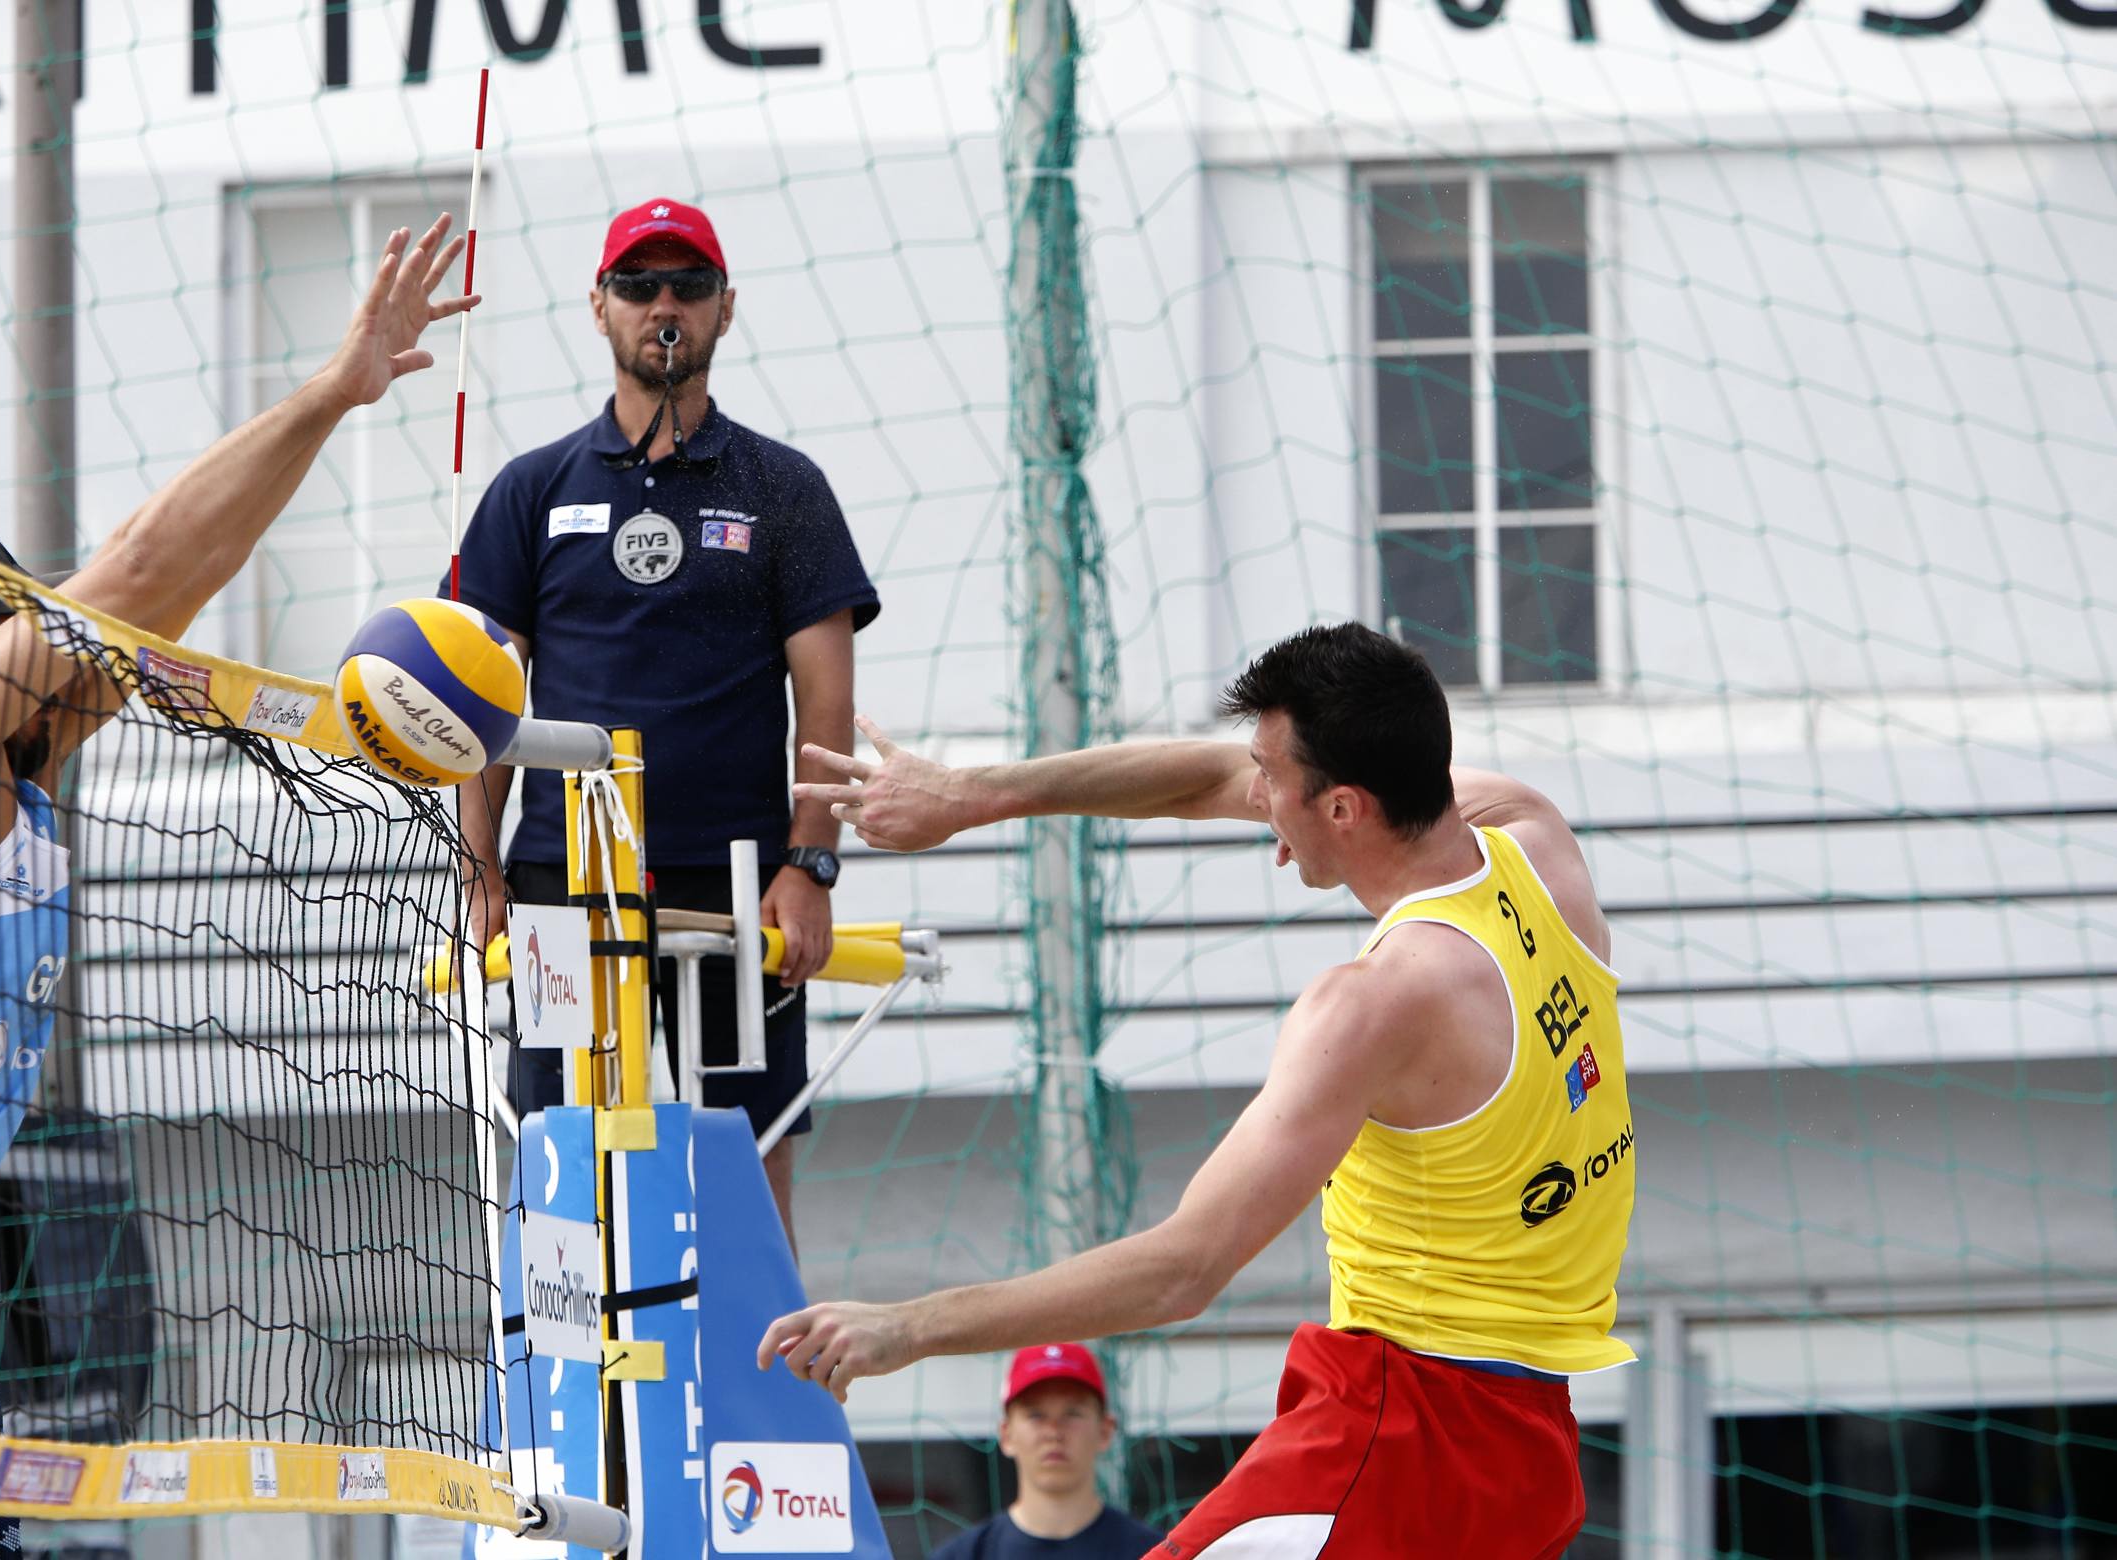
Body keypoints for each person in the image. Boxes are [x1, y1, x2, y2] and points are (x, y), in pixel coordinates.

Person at [0, 216, 478, 1559]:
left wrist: (343, 403)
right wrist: (326, 385)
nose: (57, 650)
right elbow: (129, 580)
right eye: (17, 626)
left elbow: (170, 583)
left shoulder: (21, 778)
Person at [761, 623, 1635, 1559]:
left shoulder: (1374, 1005)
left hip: (1404, 1439)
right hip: (1533, 1455)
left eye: (1269, 780)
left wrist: (906, 1328)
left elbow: (1183, 1270)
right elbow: (1205, 779)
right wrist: (972, 795)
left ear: (1343, 808)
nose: (1251, 796)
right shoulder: (1533, 841)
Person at [447, 197, 878, 1247]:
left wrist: (810, 866)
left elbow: (826, 706)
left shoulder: (783, 488)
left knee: (743, 1164)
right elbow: (477, 698)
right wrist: (480, 870)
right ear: (600, 305)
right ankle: (573, 1356)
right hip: (562, 883)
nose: (664, 305)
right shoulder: (532, 489)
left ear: (726, 307)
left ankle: (756, 1347)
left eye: (688, 285)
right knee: (564, 1159)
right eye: (639, 285)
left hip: (735, 885)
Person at [929, 1343, 1164, 1560]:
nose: (1053, 1432)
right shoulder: (962, 1555)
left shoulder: (1154, 1553)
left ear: (1105, 1431)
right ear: (1006, 1434)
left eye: (1072, 1414)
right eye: (1036, 1415)